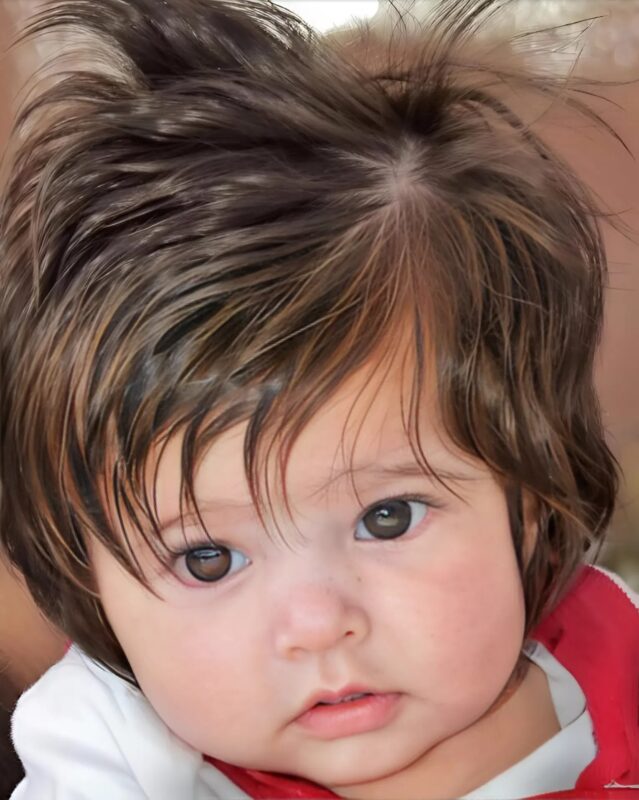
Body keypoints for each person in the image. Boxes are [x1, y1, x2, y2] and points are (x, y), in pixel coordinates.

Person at [0, 0, 637, 798]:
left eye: (388, 517)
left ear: (531, 499)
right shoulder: (113, 754)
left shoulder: (609, 651)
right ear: (91, 591)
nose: (317, 625)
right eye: (207, 559)